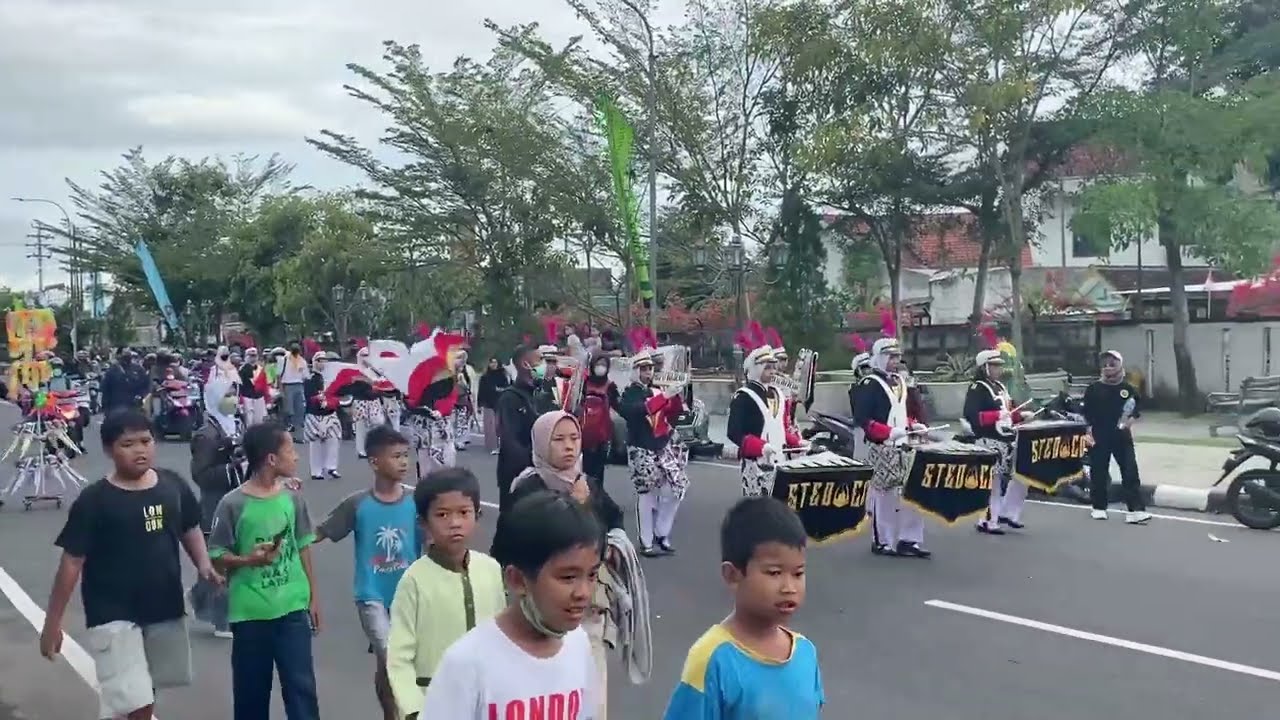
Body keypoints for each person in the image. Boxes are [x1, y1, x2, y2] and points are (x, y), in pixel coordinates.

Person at [40, 409, 217, 720]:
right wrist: (52, 624)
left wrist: (203, 565)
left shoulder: (172, 485)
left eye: (146, 441)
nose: (140, 450)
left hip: (163, 606)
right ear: (109, 450)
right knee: (136, 700)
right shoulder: (95, 500)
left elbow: (188, 526)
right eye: (128, 444)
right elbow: (71, 561)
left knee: (145, 690)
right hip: (112, 613)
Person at [420, 491, 603, 719]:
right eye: (568, 577)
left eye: (592, 575)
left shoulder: (578, 643)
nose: (583, 592)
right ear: (517, 580)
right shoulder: (466, 664)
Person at [499, 411, 631, 719]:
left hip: (588, 607)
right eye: (558, 439)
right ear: (541, 444)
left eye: (574, 438)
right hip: (540, 608)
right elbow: (518, 541)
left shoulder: (587, 483)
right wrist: (578, 506)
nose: (569, 446)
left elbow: (613, 521)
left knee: (591, 687)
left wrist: (613, 546)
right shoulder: (528, 489)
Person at [662, 496, 823, 720]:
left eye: (798, 573)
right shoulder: (712, 660)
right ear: (732, 575)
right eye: (774, 573)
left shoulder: (805, 652)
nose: (789, 588)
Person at [207, 421, 321, 720]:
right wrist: (248, 560)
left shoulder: (292, 498)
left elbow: (303, 546)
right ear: (271, 458)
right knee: (251, 693)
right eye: (290, 450)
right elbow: (216, 556)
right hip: (250, 614)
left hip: (292, 609)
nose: (296, 456)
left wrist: (313, 597)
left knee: (302, 690)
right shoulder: (232, 504)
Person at [315, 426, 423, 720]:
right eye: (396, 456)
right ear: (374, 462)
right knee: (390, 657)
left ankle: (392, 713)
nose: (404, 462)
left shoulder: (416, 504)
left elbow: (431, 542)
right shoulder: (357, 504)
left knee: (390, 664)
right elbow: (320, 532)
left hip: (409, 595)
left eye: (406, 455)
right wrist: (284, 541)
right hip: (371, 595)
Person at [387, 467, 506, 720]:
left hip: (487, 700)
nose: (454, 523)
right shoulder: (414, 580)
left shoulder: (490, 569)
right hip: (434, 703)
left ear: (477, 514)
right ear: (423, 522)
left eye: (464, 512)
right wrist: (414, 709)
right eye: (442, 514)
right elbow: (399, 657)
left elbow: (501, 634)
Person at [854, 335, 932, 558]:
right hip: (882, 446)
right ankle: (883, 541)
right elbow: (863, 419)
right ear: (879, 358)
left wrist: (913, 425)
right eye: (890, 356)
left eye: (897, 356)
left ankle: (910, 540)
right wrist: (887, 432)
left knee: (913, 493)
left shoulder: (900, 382)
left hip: (905, 444)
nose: (895, 361)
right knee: (884, 496)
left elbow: (901, 413)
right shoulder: (869, 384)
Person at [189, 375, 245, 638]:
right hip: (215, 506)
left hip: (238, 500)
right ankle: (223, 620)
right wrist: (232, 469)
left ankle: (199, 598)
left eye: (234, 394)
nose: (232, 399)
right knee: (222, 561)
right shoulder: (206, 435)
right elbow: (201, 474)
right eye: (227, 395)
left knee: (216, 560)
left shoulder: (236, 425)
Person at [620, 347, 689, 557]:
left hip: (661, 445)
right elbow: (635, 411)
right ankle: (647, 541)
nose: (648, 372)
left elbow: (674, 415)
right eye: (643, 369)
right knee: (647, 494)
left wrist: (676, 396)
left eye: (650, 368)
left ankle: (662, 532)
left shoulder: (658, 389)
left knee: (676, 488)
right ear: (635, 371)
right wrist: (663, 397)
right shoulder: (630, 393)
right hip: (640, 448)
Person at [963, 344, 1035, 535]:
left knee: (1019, 476)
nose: (998, 369)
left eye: (999, 365)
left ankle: (1005, 514)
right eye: (994, 365)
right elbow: (972, 415)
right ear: (984, 367)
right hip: (988, 439)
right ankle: (988, 521)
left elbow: (1009, 412)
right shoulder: (977, 388)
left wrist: (1021, 416)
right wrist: (996, 415)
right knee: (992, 483)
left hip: (1007, 438)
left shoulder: (1001, 387)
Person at [726, 337, 805, 498]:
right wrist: (760, 447)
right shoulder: (743, 396)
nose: (772, 371)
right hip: (756, 463)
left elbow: (779, 428)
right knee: (758, 508)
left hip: (781, 461)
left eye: (773, 367)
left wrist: (797, 443)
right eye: (767, 367)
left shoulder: (778, 394)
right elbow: (733, 432)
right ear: (756, 369)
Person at [1084, 350, 1151, 524]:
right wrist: (1088, 432)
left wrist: (1131, 420)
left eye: (1112, 364)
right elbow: (1086, 413)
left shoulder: (1128, 389)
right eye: (1105, 364)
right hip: (1099, 435)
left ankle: (1135, 510)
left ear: (1120, 365)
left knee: (1130, 470)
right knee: (1099, 471)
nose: (1108, 367)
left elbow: (1136, 408)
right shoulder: (1094, 389)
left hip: (1121, 435)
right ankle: (1099, 507)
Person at [496, 345, 552, 512]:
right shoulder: (510, 398)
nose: (544, 365)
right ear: (525, 364)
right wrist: (531, 464)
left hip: (541, 473)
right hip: (517, 474)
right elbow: (510, 440)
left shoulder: (540, 395)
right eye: (539, 360)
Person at [579, 355, 620, 482]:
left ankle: (597, 492)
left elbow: (620, 407)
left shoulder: (611, 387)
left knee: (598, 473)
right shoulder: (583, 384)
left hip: (602, 437)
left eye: (604, 365)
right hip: (582, 434)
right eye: (598, 364)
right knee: (582, 471)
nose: (600, 367)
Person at [303, 351, 342, 480]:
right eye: (320, 360)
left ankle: (331, 467)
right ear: (315, 362)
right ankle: (316, 471)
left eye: (324, 360)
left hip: (330, 413)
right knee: (315, 443)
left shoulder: (332, 378)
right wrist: (319, 399)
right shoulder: (310, 379)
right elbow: (309, 397)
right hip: (315, 414)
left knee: (333, 440)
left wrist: (333, 402)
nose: (323, 363)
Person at [477, 356, 510, 455]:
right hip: (488, 403)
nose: (493, 364)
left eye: (495, 362)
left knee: (499, 425)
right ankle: (492, 446)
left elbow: (507, 388)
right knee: (490, 426)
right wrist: (479, 404)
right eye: (491, 362)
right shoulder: (485, 377)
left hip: (500, 403)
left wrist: (500, 390)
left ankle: (501, 446)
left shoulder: (502, 375)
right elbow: (481, 391)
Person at [279, 342, 310, 440]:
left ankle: (298, 435)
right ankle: (286, 434)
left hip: (299, 386)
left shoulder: (302, 361)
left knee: (299, 410)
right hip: (287, 386)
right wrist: (281, 390)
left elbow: (306, 376)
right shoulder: (284, 360)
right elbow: (279, 375)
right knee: (289, 411)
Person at [100, 349, 146, 413]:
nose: (126, 360)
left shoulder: (138, 369)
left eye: (128, 357)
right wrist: (105, 404)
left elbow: (144, 384)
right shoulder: (113, 369)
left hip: (133, 402)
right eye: (124, 358)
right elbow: (105, 386)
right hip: (116, 403)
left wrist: (141, 395)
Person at [452, 349, 478, 451]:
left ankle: (460, 440)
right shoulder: (450, 369)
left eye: (463, 358)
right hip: (452, 399)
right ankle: (453, 439)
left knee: (462, 420)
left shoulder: (468, 369)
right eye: (459, 358)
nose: (461, 360)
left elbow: (471, 385)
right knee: (452, 420)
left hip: (463, 398)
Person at [238, 348, 270, 426]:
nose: (253, 358)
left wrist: (267, 399)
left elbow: (264, 385)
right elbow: (239, 385)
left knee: (259, 420)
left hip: (259, 397)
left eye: (254, 356)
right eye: (251, 356)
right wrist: (240, 400)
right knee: (249, 420)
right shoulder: (242, 369)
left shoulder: (261, 369)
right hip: (247, 397)